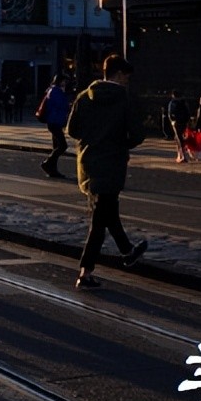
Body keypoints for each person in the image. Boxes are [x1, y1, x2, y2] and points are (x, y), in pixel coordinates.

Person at [68, 54, 148, 290]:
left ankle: (128, 251)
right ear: (120, 74)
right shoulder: (124, 99)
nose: (127, 81)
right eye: (126, 77)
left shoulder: (84, 97)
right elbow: (137, 134)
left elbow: (72, 129)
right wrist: (119, 144)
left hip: (89, 164)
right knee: (99, 222)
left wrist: (91, 140)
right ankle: (85, 272)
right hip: (112, 165)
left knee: (106, 212)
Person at [38, 74, 73, 178]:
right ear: (60, 81)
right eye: (64, 81)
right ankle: (48, 163)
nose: (65, 83)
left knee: (57, 146)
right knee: (63, 145)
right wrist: (69, 105)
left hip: (54, 121)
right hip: (55, 121)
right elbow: (61, 105)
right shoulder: (56, 91)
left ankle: (52, 169)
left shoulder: (52, 90)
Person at [166, 89, 195, 163]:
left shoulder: (173, 102)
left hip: (176, 122)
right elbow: (188, 112)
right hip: (184, 122)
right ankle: (181, 155)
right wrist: (187, 121)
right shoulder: (184, 102)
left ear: (173, 95)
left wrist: (172, 121)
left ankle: (182, 156)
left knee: (178, 139)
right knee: (180, 137)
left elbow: (170, 113)